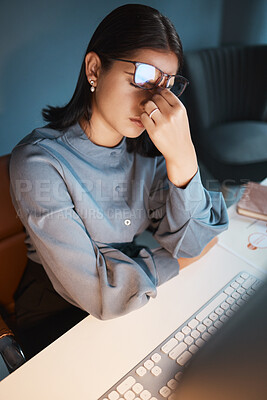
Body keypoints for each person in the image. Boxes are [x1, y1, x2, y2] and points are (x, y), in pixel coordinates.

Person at [9, 4, 228, 358]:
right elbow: (102, 293)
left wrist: (184, 160)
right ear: (95, 69)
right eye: (142, 78)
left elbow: (190, 240)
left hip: (137, 297)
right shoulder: (38, 161)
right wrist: (176, 262)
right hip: (59, 314)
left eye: (165, 86)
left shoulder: (150, 152)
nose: (151, 101)